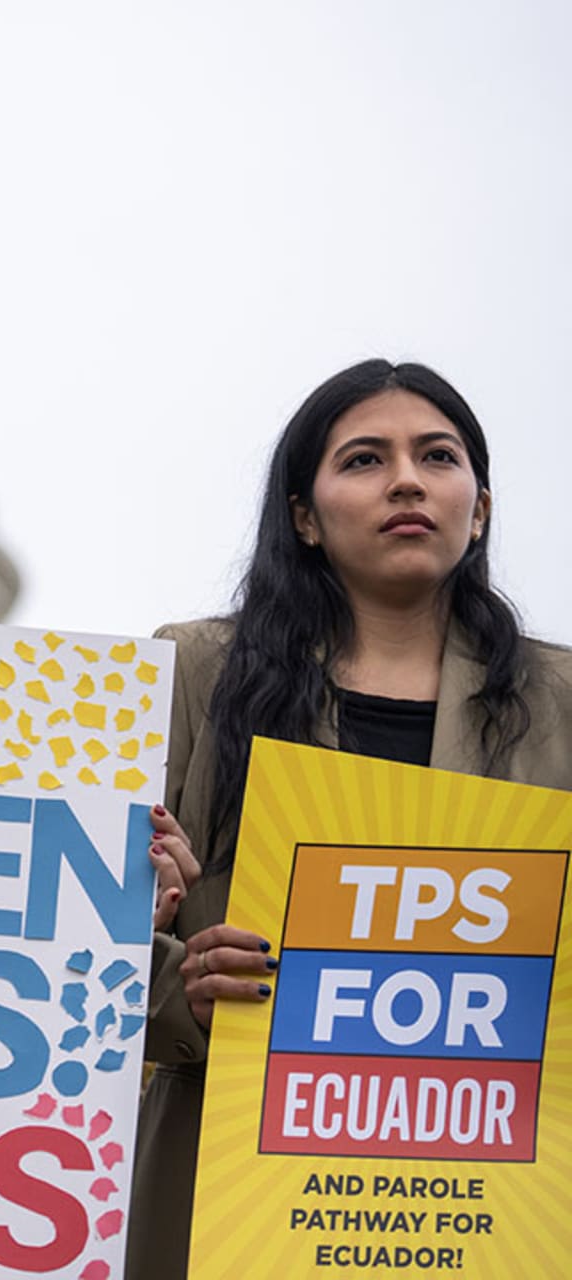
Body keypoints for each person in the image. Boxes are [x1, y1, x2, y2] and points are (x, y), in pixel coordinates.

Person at [126, 360, 572, 1280]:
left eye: (437, 456)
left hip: (481, 1190)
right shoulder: (197, 672)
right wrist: (184, 988)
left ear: (478, 507)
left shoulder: (563, 700)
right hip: (232, 1178)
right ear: (304, 515)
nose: (407, 479)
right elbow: (78, 930)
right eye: (365, 459)